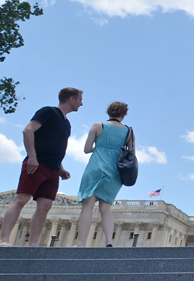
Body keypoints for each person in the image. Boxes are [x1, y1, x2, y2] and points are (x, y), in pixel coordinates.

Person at [0, 88, 82, 247]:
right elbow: (28, 130)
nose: (81, 103)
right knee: (21, 199)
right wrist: (32, 156)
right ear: (71, 99)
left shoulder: (67, 123)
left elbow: (58, 146)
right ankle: (4, 240)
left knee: (45, 205)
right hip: (37, 163)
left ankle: (33, 244)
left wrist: (61, 167)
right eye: (80, 100)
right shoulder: (48, 112)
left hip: (53, 169)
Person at [75, 101, 133, 248]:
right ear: (123, 115)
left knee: (87, 206)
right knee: (106, 209)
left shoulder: (98, 126)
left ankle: (81, 243)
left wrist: (101, 147)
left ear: (108, 112)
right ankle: (109, 242)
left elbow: (86, 149)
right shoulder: (129, 132)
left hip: (95, 167)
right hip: (115, 172)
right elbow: (131, 154)